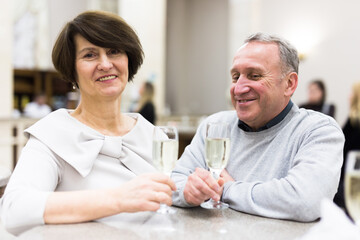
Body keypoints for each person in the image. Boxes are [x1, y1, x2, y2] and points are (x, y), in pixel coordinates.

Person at [0, 11, 175, 235]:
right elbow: (15, 209)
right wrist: (118, 198)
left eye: (114, 51)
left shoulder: (153, 135)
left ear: (128, 60)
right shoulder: (54, 133)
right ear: (72, 71)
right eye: (90, 55)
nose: (105, 63)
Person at [171, 33, 344, 222]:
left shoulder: (318, 130)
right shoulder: (214, 126)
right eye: (236, 77)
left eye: (254, 76)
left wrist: (225, 188)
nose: (239, 88)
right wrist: (188, 192)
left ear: (289, 84)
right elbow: (173, 182)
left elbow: (305, 202)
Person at [334, 82, 360, 210]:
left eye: (351, 93)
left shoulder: (355, 123)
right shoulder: (353, 121)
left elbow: (345, 153)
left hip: (350, 183)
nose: (348, 97)